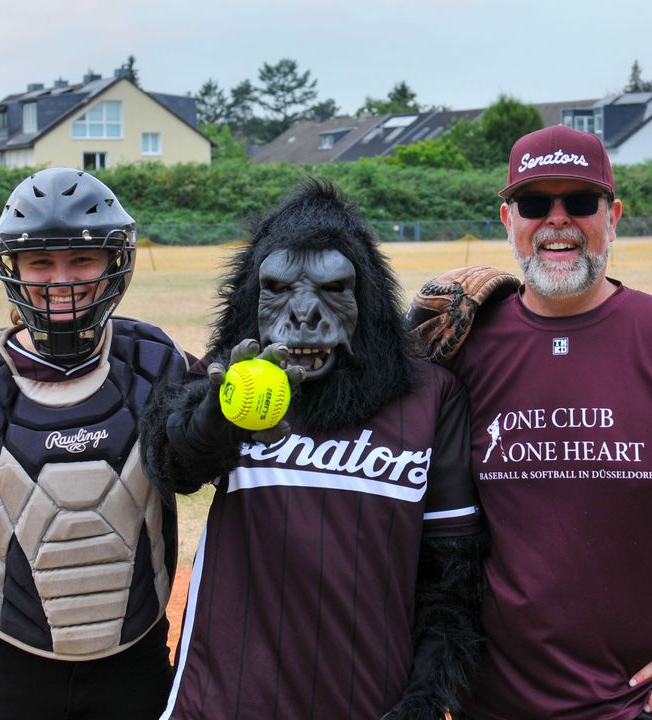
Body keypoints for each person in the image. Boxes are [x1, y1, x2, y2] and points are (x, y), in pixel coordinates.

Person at [413, 125, 652, 720]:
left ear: (613, 214)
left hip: (646, 703)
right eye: (535, 203)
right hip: (491, 704)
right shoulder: (466, 347)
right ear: (506, 218)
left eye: (580, 202)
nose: (558, 220)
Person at [139, 178, 488, 719]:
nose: (303, 314)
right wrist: (215, 417)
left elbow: (452, 582)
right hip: (220, 704)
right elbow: (173, 461)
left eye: (331, 290)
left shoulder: (429, 397)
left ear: (368, 303)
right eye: (278, 290)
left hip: (368, 700)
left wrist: (423, 699)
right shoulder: (229, 381)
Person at [0, 167, 189, 719]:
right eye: (41, 262)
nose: (62, 281)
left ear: (113, 262)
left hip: (132, 662)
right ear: (15, 267)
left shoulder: (159, 365)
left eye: (82, 259)